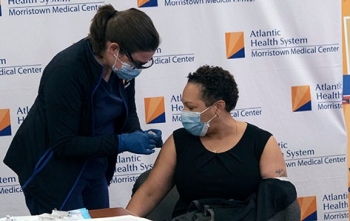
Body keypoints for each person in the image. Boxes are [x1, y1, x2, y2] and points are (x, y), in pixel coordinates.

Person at [3, 4, 163, 215]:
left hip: (94, 166)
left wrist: (137, 132)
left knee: (100, 218)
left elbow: (127, 111)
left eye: (146, 63)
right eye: (138, 63)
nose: (139, 69)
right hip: (53, 171)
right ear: (114, 49)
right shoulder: (67, 71)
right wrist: (122, 142)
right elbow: (64, 143)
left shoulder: (120, 68)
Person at [126, 65, 295, 220]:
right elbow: (150, 193)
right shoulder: (178, 141)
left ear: (218, 107)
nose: (184, 113)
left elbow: (276, 204)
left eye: (191, 108)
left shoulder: (262, 142)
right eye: (183, 105)